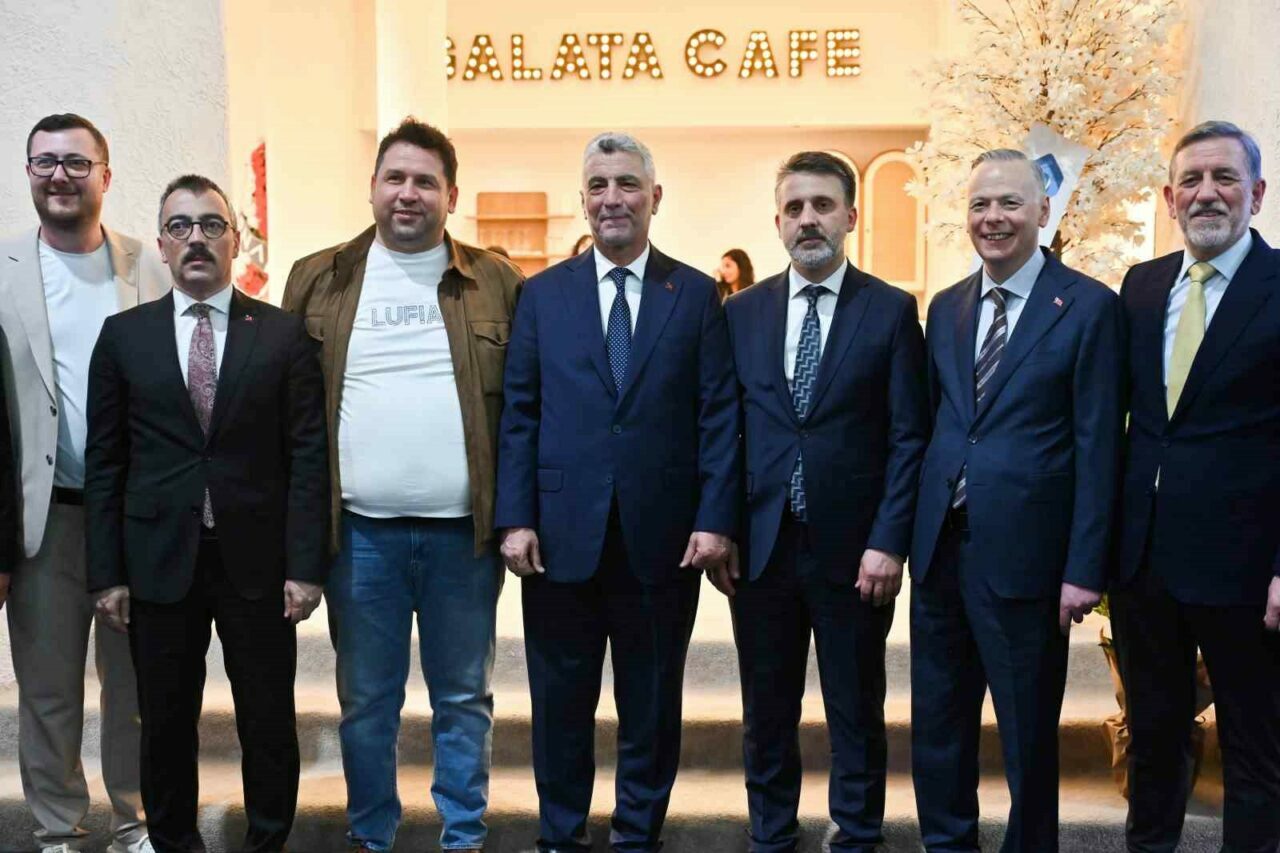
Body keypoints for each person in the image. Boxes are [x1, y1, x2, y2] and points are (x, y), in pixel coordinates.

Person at [281, 117, 523, 853]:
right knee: (366, 703)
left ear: (452, 195)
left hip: (464, 539)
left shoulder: (497, 281)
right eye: (396, 178)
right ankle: (371, 834)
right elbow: (288, 416)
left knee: (464, 698)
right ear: (373, 187)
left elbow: (525, 411)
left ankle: (463, 836)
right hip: (359, 538)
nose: (408, 193)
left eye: (425, 181)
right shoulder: (318, 278)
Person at [496, 131, 739, 852]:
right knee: (560, 706)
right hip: (559, 537)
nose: (613, 198)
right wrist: (515, 517)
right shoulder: (542, 295)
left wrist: (715, 518)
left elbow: (718, 415)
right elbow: (520, 412)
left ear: (654, 197)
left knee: (652, 706)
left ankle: (637, 836)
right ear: (583, 200)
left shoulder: (694, 295)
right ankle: (560, 836)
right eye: (599, 185)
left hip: (662, 540)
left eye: (628, 184)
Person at [85, 174, 329, 853]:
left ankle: (267, 841)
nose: (196, 238)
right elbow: (105, 462)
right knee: (164, 721)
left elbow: (309, 457)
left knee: (267, 720)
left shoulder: (282, 335)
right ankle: (174, 842)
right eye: (181, 226)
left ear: (235, 239)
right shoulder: (124, 337)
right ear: (162, 244)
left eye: (211, 225)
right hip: (158, 562)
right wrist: (107, 573)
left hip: (259, 563)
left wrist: (306, 566)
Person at [909, 149, 1123, 852]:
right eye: (979, 204)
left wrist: (1084, 567)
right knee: (938, 727)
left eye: (1009, 202)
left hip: (1029, 560)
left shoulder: (1089, 307)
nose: (992, 218)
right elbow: (939, 423)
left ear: (1043, 210)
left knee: (1027, 736)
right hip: (940, 551)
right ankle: (948, 843)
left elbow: (1099, 446)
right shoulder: (946, 306)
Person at [718, 151, 928, 852]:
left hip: (856, 551)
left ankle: (858, 835)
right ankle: (771, 834)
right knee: (766, 708)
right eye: (794, 207)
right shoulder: (742, 312)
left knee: (855, 705)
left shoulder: (891, 310)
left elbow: (909, 436)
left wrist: (889, 540)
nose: (808, 219)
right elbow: (723, 428)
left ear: (851, 216)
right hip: (762, 545)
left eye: (823, 205)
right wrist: (721, 527)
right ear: (778, 221)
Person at [0, 112, 169, 853]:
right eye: (44, 162)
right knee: (48, 691)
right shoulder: (3, 268)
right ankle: (59, 831)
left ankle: (137, 822)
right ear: (28, 173)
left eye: (75, 162)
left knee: (135, 688)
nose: (59, 175)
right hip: (43, 519)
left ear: (106, 174)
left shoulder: (150, 267)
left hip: (133, 519)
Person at [1110, 120, 1280, 853]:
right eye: (1192, 180)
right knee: (1152, 740)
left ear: (1257, 194)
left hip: (1246, 570)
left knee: (1255, 748)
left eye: (1225, 178)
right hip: (1145, 566)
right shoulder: (1142, 287)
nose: (1207, 193)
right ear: (1169, 198)